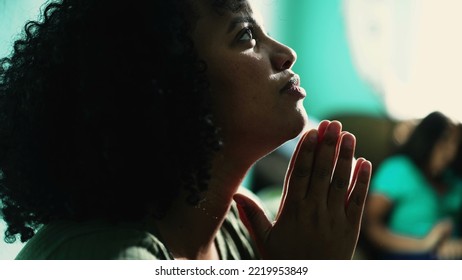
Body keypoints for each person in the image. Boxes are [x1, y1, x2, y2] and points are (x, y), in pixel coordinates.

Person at [0, 0, 372, 260]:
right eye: (245, 35)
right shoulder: (106, 259)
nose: (286, 52)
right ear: (164, 85)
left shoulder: (231, 229)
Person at [364, 111, 462, 259]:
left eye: (455, 143)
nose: (450, 152)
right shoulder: (398, 170)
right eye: (445, 141)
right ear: (427, 138)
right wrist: (423, 245)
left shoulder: (454, 180)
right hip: (410, 254)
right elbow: (370, 225)